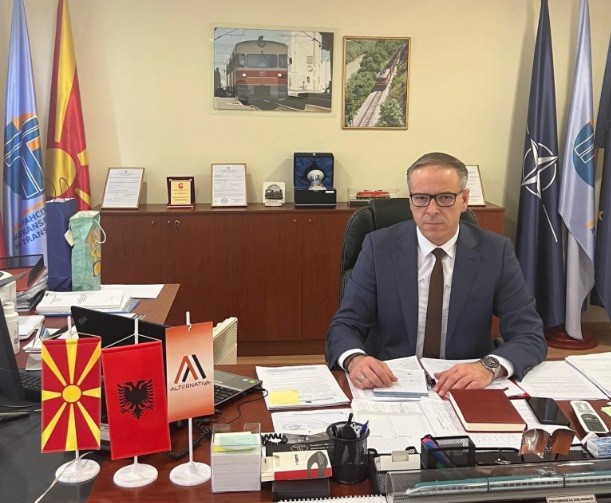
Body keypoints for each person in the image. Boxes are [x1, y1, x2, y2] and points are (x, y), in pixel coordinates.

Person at [326, 152, 546, 397]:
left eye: (445, 198)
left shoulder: (496, 252)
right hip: (392, 382)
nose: (432, 210)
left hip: (466, 383)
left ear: (464, 200)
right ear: (410, 201)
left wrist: (488, 367)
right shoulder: (379, 247)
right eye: (421, 198)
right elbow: (345, 325)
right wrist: (355, 359)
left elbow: (529, 334)